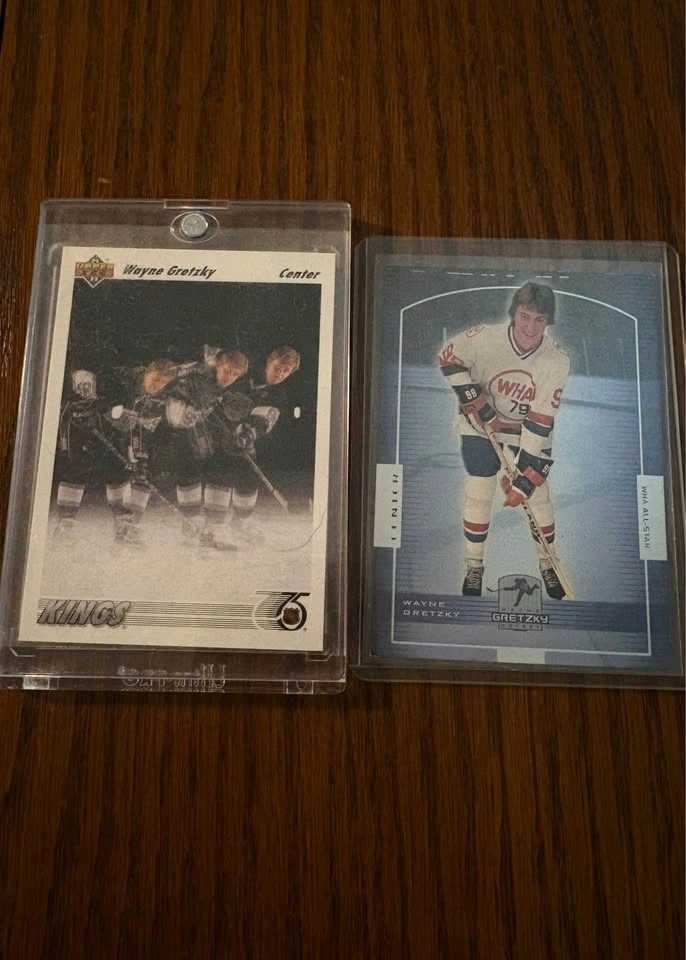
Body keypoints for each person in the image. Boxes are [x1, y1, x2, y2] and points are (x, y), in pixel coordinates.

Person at [438, 282, 571, 599]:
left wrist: (523, 479)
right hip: (481, 427)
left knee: (538, 498)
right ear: (514, 313)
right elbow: (448, 358)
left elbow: (539, 419)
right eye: (525, 316)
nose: (531, 327)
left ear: (548, 321)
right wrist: (475, 399)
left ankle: (548, 563)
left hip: (528, 430)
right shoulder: (485, 338)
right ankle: (474, 565)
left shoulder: (556, 359)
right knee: (479, 493)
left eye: (540, 320)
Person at [54, 368, 131, 541]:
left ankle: (123, 523)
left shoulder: (107, 384)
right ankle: (65, 524)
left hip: (105, 418)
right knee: (74, 469)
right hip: (76, 429)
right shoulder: (69, 399)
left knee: (117, 469)